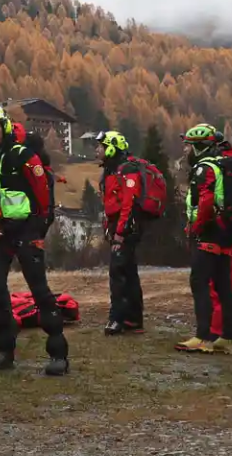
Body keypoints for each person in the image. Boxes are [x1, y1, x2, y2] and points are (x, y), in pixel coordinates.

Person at [0, 102, 68, 375]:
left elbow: (42, 193)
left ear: (3, 127)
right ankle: (4, 350)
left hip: (26, 230)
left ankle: (58, 354)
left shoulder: (22, 155)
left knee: (40, 292)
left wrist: (39, 227)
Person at [178, 122, 232, 355]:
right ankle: (228, 337)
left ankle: (203, 337)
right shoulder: (223, 165)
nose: (185, 151)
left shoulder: (203, 169)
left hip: (209, 232)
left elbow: (205, 203)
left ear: (199, 147)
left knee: (199, 283)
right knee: (223, 285)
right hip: (226, 230)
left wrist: (196, 228)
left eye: (188, 146)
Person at [96, 130, 147, 335]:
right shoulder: (111, 170)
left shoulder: (126, 170)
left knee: (117, 273)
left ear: (110, 147)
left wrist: (120, 233)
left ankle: (117, 319)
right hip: (118, 224)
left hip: (126, 226)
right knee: (128, 272)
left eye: (100, 146)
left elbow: (128, 202)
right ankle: (134, 319)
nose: (96, 150)